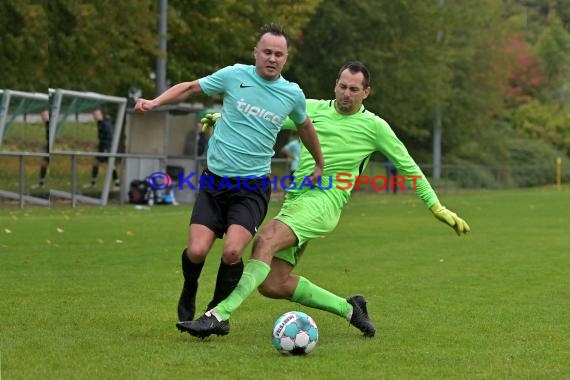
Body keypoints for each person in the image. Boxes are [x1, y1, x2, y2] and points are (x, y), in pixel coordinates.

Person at [179, 61, 470, 339]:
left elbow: (409, 167)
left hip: (325, 201)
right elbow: (268, 117)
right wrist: (222, 117)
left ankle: (217, 315)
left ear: (366, 92)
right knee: (272, 284)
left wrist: (436, 206)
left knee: (264, 241)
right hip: (296, 199)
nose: (347, 94)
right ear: (335, 86)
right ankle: (350, 308)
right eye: (343, 86)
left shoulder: (375, 126)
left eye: (354, 89)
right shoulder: (312, 108)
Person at [134, 23, 324, 324]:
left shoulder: (292, 94)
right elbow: (190, 87)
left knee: (233, 252)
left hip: (251, 188)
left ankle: (215, 312)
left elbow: (305, 128)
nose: (272, 59)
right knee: (196, 251)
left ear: (285, 58)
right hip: (214, 183)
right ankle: (189, 288)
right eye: (267, 52)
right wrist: (155, 102)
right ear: (256, 53)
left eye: (279, 54)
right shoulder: (235, 75)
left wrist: (320, 163)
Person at [87, 108, 119, 188]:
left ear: (100, 114)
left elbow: (109, 136)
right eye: (94, 115)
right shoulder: (100, 123)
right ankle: (93, 182)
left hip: (106, 147)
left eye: (96, 114)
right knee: (96, 162)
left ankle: (117, 184)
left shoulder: (105, 123)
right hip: (102, 146)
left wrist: (106, 148)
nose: (95, 116)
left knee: (110, 164)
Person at [35, 109, 50, 188]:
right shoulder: (47, 124)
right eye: (42, 116)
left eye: (43, 115)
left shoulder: (50, 124)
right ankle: (41, 184)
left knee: (44, 163)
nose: (42, 117)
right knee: (43, 164)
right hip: (48, 147)